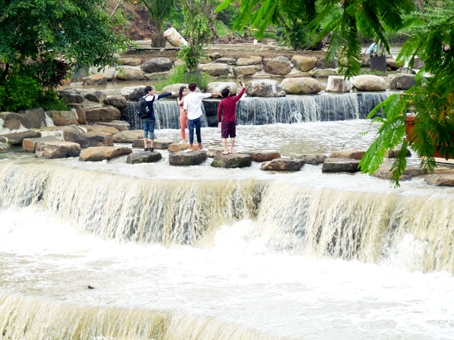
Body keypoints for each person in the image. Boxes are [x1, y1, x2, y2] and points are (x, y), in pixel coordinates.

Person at [183, 82, 221, 152]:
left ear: (189, 88)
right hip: (198, 116)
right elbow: (209, 94)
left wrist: (186, 113)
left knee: (190, 132)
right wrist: (218, 94)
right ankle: (200, 146)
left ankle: (190, 147)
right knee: (198, 132)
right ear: (195, 88)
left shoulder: (186, 98)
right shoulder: (199, 95)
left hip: (190, 117)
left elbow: (185, 108)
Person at [142, 85, 177, 151]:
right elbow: (162, 95)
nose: (154, 91)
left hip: (144, 117)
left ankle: (145, 147)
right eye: (152, 90)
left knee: (145, 132)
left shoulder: (143, 98)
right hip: (151, 117)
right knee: (151, 131)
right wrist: (171, 93)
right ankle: (152, 147)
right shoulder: (152, 97)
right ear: (149, 91)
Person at [217, 82, 246, 155]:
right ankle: (231, 150)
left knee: (224, 136)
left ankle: (225, 150)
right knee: (232, 136)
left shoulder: (222, 102)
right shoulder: (233, 100)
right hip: (233, 120)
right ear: (229, 94)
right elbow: (240, 95)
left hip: (225, 121)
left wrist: (219, 122)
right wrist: (243, 87)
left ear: (222, 95)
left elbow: (219, 113)